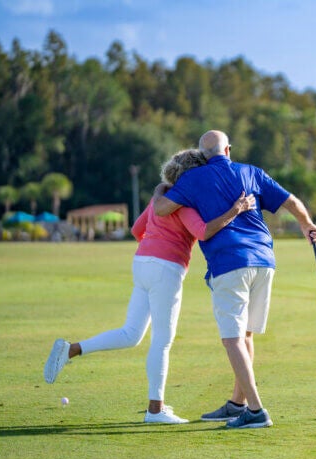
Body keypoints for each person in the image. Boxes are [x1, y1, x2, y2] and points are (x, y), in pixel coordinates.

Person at [43, 149, 256, 424]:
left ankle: (71, 349)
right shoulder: (185, 204)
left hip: (142, 262)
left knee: (131, 333)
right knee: (162, 341)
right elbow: (203, 231)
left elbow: (136, 230)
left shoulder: (161, 198)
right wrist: (236, 209)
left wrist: (155, 245)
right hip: (166, 268)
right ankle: (155, 410)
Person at [152, 130, 316, 429]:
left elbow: (162, 209)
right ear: (228, 150)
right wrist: (307, 224)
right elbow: (290, 200)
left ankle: (256, 411)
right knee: (246, 336)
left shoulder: (193, 179)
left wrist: (164, 188)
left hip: (230, 262)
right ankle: (237, 404)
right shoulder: (252, 172)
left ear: (202, 157)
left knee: (232, 338)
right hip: (265, 261)